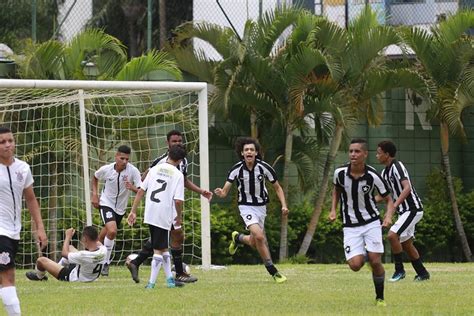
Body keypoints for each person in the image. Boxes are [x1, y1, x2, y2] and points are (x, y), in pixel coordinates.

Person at [126, 130, 212, 284]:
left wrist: (201, 191)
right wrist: (136, 189)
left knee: (167, 238)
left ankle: (139, 263)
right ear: (167, 143)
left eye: (180, 141)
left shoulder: (182, 160)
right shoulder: (160, 162)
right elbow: (145, 177)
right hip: (164, 206)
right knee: (170, 238)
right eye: (174, 141)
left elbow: (184, 181)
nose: (178, 143)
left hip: (168, 205)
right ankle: (174, 275)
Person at [329, 138, 395, 307]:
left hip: (371, 222)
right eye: (351, 151)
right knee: (355, 265)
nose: (353, 154)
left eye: (357, 151)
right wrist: (333, 210)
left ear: (365, 154)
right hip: (350, 226)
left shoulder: (373, 175)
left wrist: (388, 217)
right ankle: (367, 254)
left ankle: (380, 298)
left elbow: (389, 199)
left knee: (375, 261)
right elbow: (336, 190)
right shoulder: (340, 173)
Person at [214, 137, 289, 283]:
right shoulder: (236, 169)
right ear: (242, 153)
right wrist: (220, 192)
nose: (249, 152)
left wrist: (284, 205)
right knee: (260, 237)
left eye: (252, 150)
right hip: (245, 207)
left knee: (255, 242)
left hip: (261, 207)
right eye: (246, 150)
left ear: (256, 153)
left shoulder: (264, 168)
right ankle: (273, 271)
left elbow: (277, 187)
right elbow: (225, 191)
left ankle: (238, 238)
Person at [0, 126, 48, 316]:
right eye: (2, 142)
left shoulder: (23, 168)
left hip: (14, 231)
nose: (7, 145)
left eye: (10, 140)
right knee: (9, 276)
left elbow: (30, 199)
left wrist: (40, 228)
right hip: (0, 231)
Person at [128, 145, 187, 289]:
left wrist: (133, 211)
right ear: (180, 160)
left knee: (163, 248)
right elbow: (178, 201)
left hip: (150, 212)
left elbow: (141, 191)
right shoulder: (178, 174)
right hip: (164, 213)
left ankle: (170, 281)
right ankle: (151, 283)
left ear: (168, 154)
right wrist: (178, 216)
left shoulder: (154, 170)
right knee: (158, 250)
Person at [376, 140, 430, 282]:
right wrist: (365, 201)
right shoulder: (384, 172)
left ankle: (399, 271)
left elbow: (407, 188)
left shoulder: (397, 166)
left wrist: (394, 206)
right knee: (406, 244)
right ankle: (423, 273)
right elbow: (385, 195)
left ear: (387, 155)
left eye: (379, 153)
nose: (377, 156)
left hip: (413, 209)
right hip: (404, 211)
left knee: (392, 236)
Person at [91, 145, 141, 276]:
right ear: (116, 157)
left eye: (127, 159)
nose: (124, 161)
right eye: (122, 158)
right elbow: (95, 177)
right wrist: (95, 194)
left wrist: (132, 188)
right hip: (106, 203)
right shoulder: (107, 169)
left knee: (103, 236)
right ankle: (105, 263)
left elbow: (141, 191)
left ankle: (89, 255)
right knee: (112, 231)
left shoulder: (133, 171)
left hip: (120, 209)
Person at [25, 226, 107, 282]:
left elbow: (64, 253)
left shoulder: (83, 255)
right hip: (87, 272)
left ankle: (40, 277)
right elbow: (97, 243)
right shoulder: (104, 250)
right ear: (97, 238)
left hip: (73, 278)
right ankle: (58, 266)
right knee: (71, 247)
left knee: (41, 260)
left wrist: (67, 236)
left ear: (85, 239)